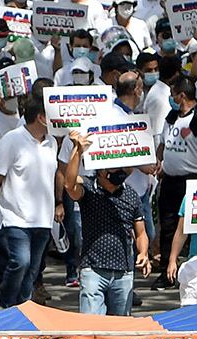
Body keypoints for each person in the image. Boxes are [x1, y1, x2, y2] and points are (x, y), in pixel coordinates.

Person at [61, 128, 152, 316]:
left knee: (120, 330)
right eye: (114, 167)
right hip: (93, 270)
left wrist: (143, 253)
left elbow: (141, 232)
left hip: (124, 273)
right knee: (91, 329)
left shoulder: (131, 195)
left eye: (122, 167)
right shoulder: (88, 189)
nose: (120, 171)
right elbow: (69, 184)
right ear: (101, 170)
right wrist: (78, 150)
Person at [0, 95, 57, 304]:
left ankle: (24, 308)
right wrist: (4, 202)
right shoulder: (12, 140)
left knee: (32, 271)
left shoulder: (51, 142)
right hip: (15, 218)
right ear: (41, 117)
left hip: (43, 218)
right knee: (21, 262)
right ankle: (7, 304)